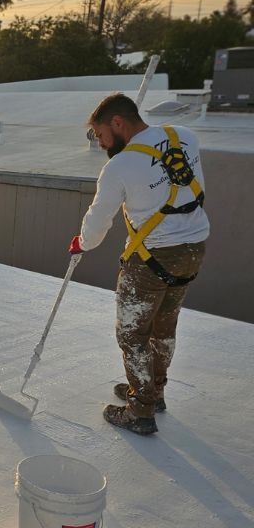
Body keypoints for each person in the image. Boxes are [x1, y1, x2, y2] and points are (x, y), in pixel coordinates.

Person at [70, 93, 209, 435]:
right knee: (164, 326)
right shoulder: (184, 137)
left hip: (153, 258)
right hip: (193, 248)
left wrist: (82, 243)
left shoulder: (119, 167)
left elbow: (98, 220)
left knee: (132, 334)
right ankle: (153, 392)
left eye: (101, 134)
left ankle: (140, 411)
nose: (101, 143)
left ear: (117, 122)